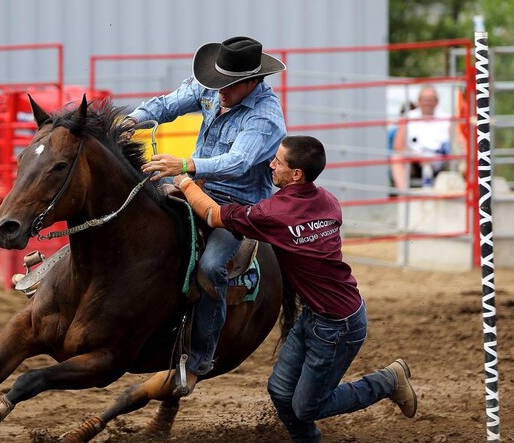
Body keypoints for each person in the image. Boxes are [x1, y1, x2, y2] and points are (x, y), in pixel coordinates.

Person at [171, 135, 416, 442]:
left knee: (307, 406)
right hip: (328, 313)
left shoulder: (274, 215)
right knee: (280, 390)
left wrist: (184, 182)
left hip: (336, 325)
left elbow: (213, 215)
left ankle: (387, 381)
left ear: (296, 174)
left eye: (278, 161)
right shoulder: (327, 200)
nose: (270, 164)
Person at [123, 36, 287, 395]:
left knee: (212, 266)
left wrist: (184, 164)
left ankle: (199, 360)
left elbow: (239, 161)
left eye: (227, 87)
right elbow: (169, 104)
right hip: (193, 186)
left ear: (252, 82)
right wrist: (132, 120)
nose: (218, 92)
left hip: (237, 207)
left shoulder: (265, 117)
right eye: (216, 84)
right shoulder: (215, 86)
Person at [390, 86, 450, 190]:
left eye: (431, 100)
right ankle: (404, 195)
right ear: (418, 101)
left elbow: (457, 143)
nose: (427, 103)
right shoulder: (408, 117)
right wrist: (417, 157)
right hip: (415, 161)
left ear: (437, 102)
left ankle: (462, 195)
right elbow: (398, 147)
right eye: (424, 99)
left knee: (465, 158)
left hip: (441, 161)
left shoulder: (448, 119)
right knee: (396, 158)